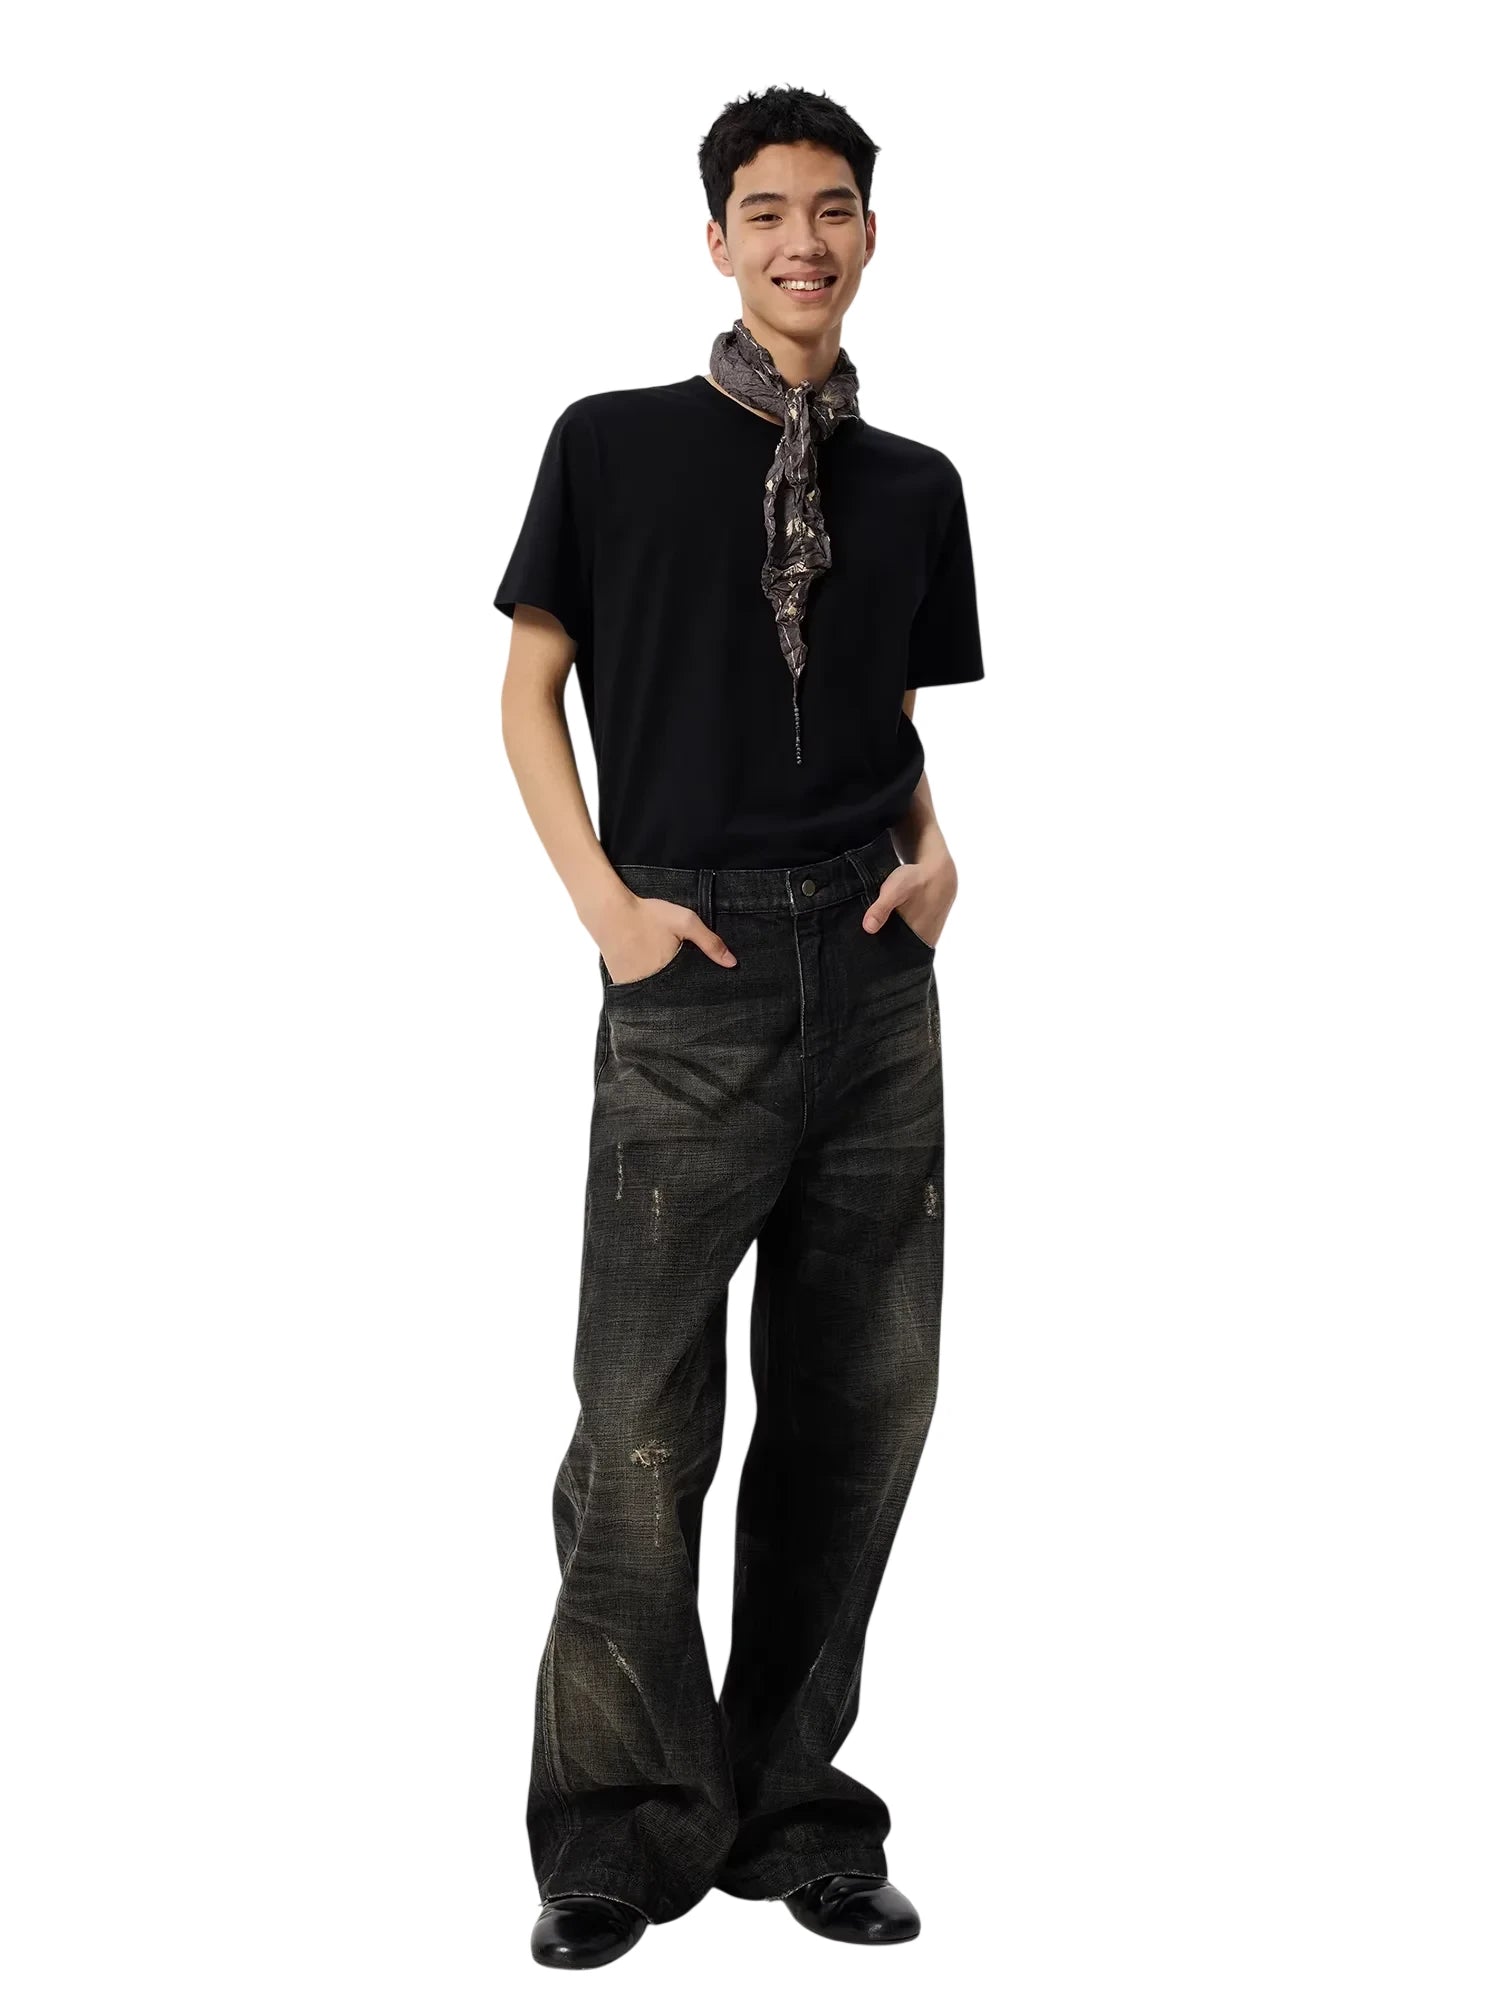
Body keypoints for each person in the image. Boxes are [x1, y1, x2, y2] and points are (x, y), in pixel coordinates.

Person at [493, 84, 985, 1970]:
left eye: (833, 207)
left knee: (861, 1406)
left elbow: (887, 718)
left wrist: (938, 856)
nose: (803, 239)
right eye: (766, 210)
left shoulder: (916, 483)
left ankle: (791, 1809)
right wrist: (607, 913)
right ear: (717, 239)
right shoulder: (611, 446)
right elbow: (530, 690)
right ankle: (618, 1831)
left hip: (872, 978)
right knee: (638, 1424)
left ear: (870, 234)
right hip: (684, 974)